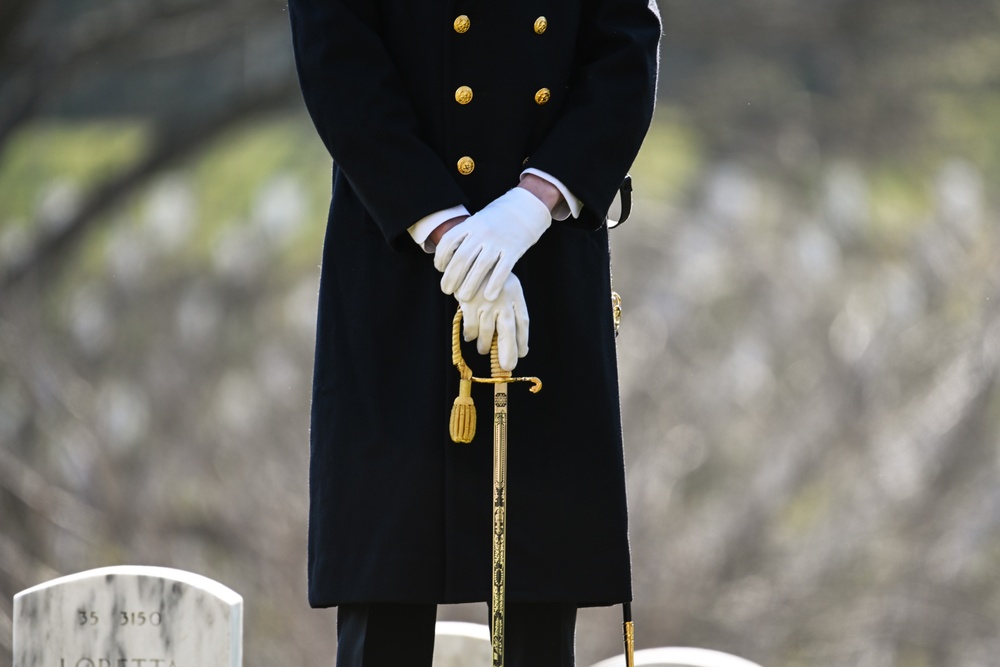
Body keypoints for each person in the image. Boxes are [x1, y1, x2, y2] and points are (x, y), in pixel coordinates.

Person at [287, 2, 661, 665]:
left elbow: (626, 44)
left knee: (540, 600)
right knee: (384, 598)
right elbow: (336, 50)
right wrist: (445, 230)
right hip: (397, 255)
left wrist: (533, 203)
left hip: (545, 255)